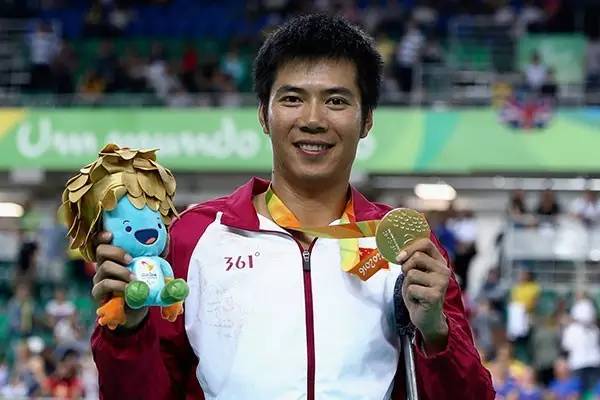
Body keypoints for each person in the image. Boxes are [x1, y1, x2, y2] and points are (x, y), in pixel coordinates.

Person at [90, 14, 494, 399]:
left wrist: (436, 332)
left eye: (336, 101)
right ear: (263, 115)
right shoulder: (193, 239)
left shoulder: (402, 244)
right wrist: (126, 332)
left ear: (367, 119)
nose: (313, 119)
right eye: (292, 99)